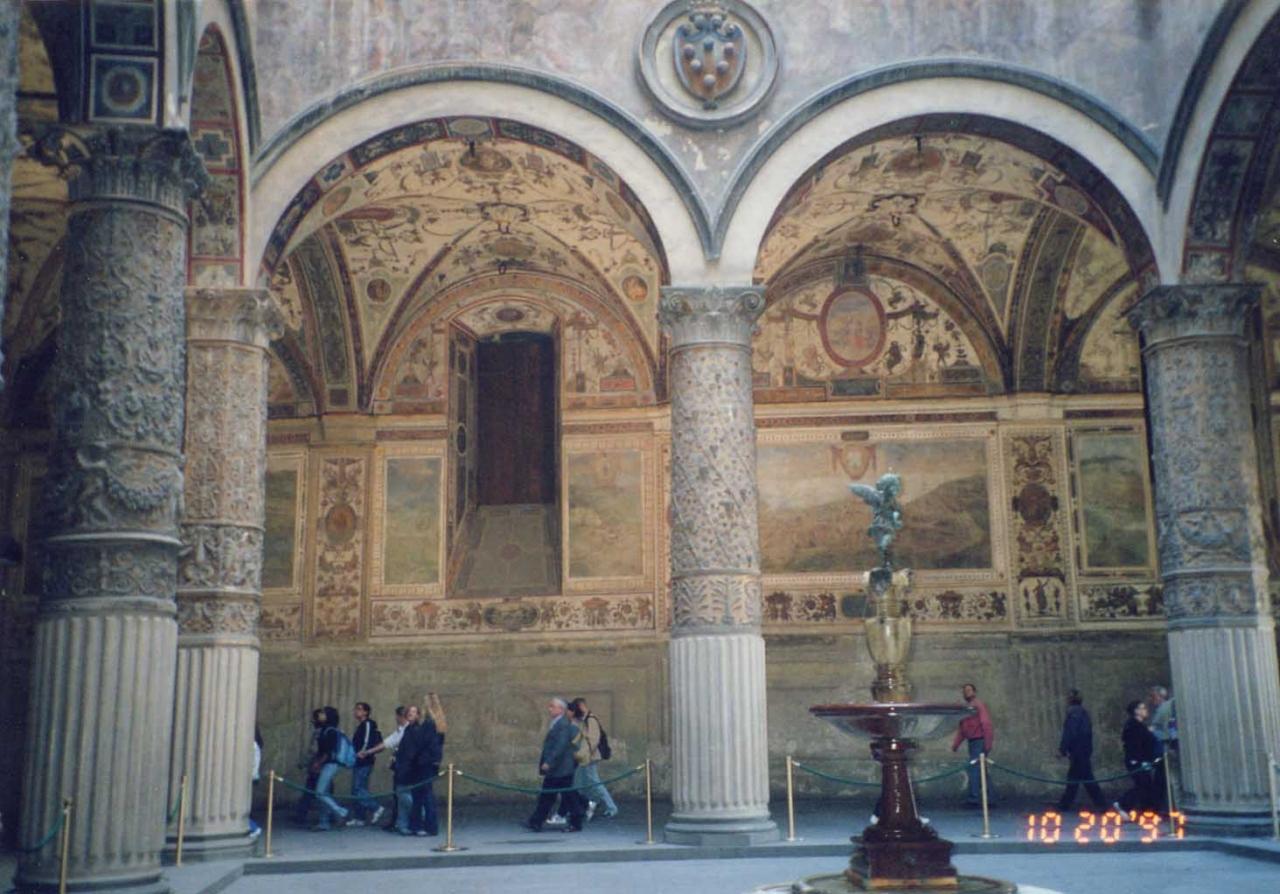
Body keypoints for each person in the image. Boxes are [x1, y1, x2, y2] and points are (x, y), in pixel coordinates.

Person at [524, 697, 586, 833]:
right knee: (550, 795)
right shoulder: (559, 722)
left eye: (552, 706)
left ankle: (576, 820)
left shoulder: (562, 724)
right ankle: (536, 821)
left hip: (561, 767)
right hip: (560, 767)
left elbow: (560, 745)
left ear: (561, 709)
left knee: (565, 796)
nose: (549, 709)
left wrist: (548, 762)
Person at [1055, 689, 1107, 813]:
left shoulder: (1073, 713)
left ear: (1069, 700)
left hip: (1078, 751)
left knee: (1081, 778)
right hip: (1084, 750)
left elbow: (1070, 733)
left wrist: (1062, 750)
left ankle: (1100, 803)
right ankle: (1066, 803)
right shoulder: (1083, 713)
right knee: (1080, 777)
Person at [362, 705, 409, 831]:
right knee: (399, 794)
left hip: (406, 767)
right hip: (401, 766)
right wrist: (369, 752)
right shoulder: (401, 730)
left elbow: (387, 743)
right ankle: (399, 821)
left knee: (404, 795)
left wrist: (368, 752)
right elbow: (387, 742)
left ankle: (407, 821)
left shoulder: (407, 730)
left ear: (400, 717)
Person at [571, 697, 618, 820]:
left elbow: (593, 740)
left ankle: (611, 807)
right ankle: (593, 802)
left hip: (590, 757)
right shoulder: (585, 720)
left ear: (581, 706)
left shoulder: (591, 720)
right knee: (583, 783)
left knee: (595, 783)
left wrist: (581, 754)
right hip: (587, 757)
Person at [951, 683, 996, 806]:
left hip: (979, 741)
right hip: (973, 742)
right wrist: (956, 744)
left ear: (974, 692)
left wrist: (988, 743)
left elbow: (986, 724)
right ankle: (991, 797)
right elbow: (962, 729)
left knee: (974, 770)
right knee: (981, 771)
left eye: (969, 690)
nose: (966, 692)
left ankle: (974, 798)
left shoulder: (978, 706)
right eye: (965, 691)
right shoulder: (967, 709)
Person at [310, 706, 352, 831]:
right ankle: (324, 822)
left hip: (330, 764)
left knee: (319, 792)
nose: (320, 715)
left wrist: (318, 764)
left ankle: (341, 811)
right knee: (325, 793)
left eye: (323, 713)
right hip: (327, 764)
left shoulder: (330, 731)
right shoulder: (325, 729)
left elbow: (327, 752)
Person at [1117, 700, 1160, 815]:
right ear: (1136, 711)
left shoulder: (1139, 726)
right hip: (1137, 761)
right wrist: (1139, 761)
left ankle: (1146, 809)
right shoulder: (1133, 726)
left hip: (1142, 760)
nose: (1146, 710)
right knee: (1142, 784)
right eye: (1143, 708)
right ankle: (1123, 803)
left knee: (1146, 784)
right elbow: (1135, 745)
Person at [349, 702, 384, 826]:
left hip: (364, 760)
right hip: (359, 760)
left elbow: (366, 740)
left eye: (359, 709)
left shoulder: (368, 724)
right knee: (359, 788)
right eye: (356, 708)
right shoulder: (361, 725)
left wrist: (362, 753)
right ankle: (360, 818)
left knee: (358, 788)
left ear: (366, 712)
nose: (356, 711)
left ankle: (376, 807)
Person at [292, 709, 324, 826]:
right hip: (324, 766)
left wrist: (304, 763)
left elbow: (314, 750)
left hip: (317, 766)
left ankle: (302, 815)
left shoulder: (320, 732)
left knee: (310, 792)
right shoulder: (330, 730)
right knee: (319, 792)